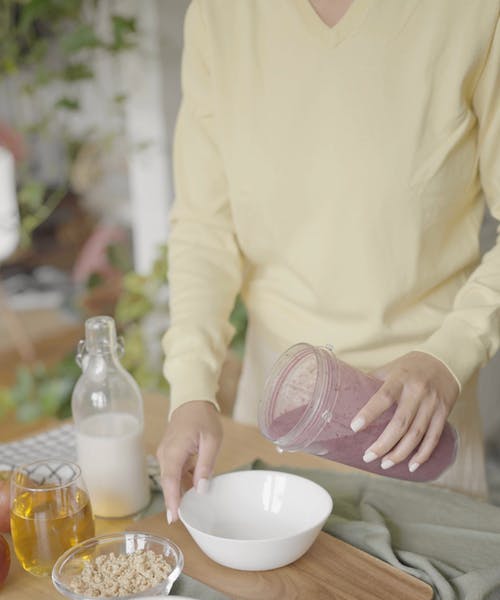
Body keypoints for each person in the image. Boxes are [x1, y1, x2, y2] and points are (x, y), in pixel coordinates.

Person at [157, 0, 500, 522]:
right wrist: (190, 392)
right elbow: (205, 230)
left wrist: (449, 356)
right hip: (278, 427)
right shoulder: (219, 15)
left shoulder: (474, 13)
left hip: (418, 427)